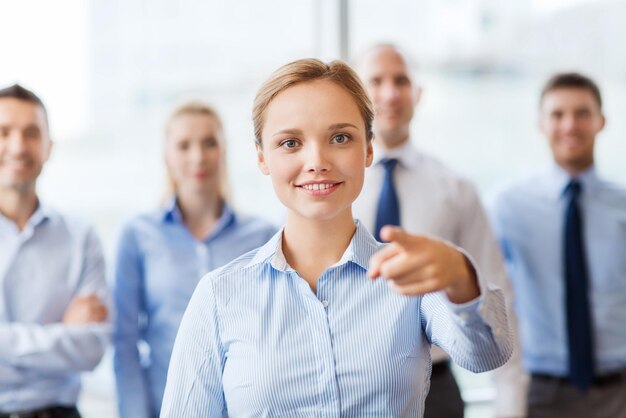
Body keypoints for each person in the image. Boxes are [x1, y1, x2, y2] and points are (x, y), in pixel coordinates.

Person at [160, 58, 512, 417]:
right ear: (262, 157)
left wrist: (459, 275)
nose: (317, 160)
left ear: (369, 149)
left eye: (340, 138)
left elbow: (487, 354)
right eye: (290, 143)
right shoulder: (219, 296)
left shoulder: (410, 278)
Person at [353, 44, 525, 418]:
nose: (389, 93)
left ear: (418, 93)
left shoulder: (455, 189)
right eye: (376, 81)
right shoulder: (330, 187)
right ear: (356, 94)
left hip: (437, 389)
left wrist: (511, 406)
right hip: (353, 385)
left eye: (401, 81)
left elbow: (495, 297)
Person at [113, 101, 276, 418]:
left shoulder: (262, 236)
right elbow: (124, 343)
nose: (198, 156)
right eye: (184, 145)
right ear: (167, 156)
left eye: (209, 143)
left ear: (224, 151)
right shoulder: (137, 234)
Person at [489, 73, 626, 418]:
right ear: (541, 123)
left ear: (601, 121)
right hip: (541, 392)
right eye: (558, 114)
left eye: (582, 113)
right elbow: (486, 290)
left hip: (619, 389)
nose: (570, 125)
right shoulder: (507, 207)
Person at [0, 84, 109, 418]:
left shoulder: (80, 236)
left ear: (49, 146)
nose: (18, 146)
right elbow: (75, 345)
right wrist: (61, 336)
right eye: (4, 132)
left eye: (31, 133)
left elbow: (92, 348)